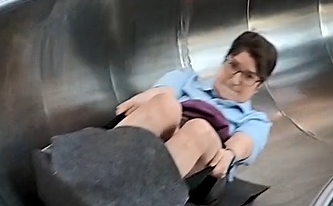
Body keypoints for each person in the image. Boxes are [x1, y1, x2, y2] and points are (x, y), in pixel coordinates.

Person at [112, 31, 278, 187]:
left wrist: (231, 154)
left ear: (258, 85)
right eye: (233, 66)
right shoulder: (187, 79)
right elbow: (161, 92)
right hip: (157, 139)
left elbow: (245, 142)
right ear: (225, 60)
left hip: (200, 167)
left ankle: (141, 189)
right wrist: (144, 99)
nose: (235, 80)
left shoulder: (254, 119)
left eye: (248, 76)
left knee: (198, 129)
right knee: (166, 104)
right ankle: (107, 158)